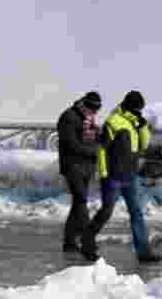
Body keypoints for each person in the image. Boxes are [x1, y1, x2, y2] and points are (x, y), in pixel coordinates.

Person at [80, 90, 162, 263]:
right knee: (106, 212)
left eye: (140, 109)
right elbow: (102, 149)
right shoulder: (113, 121)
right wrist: (103, 173)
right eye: (137, 109)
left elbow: (144, 144)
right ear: (129, 106)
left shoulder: (134, 123)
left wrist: (143, 126)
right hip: (113, 177)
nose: (139, 112)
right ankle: (87, 241)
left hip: (130, 176)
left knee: (136, 213)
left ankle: (144, 252)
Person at [56, 91, 102, 254]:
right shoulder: (69, 117)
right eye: (93, 109)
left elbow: (94, 139)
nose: (95, 113)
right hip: (72, 165)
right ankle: (87, 240)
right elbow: (70, 144)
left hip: (86, 166)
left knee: (77, 203)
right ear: (86, 105)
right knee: (81, 201)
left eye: (97, 110)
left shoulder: (88, 119)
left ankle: (69, 242)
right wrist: (93, 152)